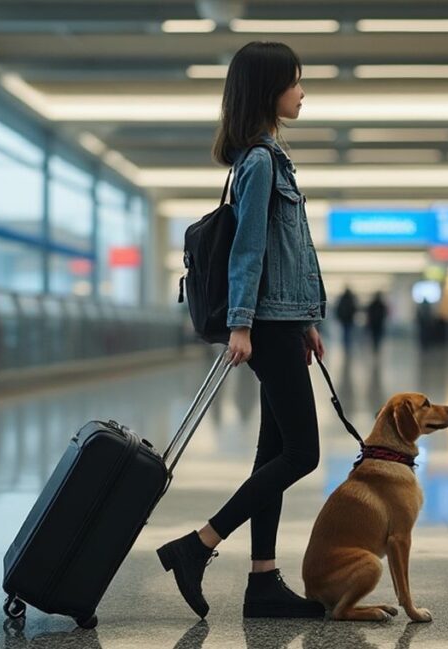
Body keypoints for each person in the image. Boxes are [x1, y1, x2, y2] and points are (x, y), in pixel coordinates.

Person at [156, 41, 327, 621]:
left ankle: (263, 582)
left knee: (272, 452)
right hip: (265, 326)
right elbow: (248, 250)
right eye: (295, 82)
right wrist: (242, 325)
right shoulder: (258, 162)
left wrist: (302, 320)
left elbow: (286, 253)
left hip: (282, 322)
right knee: (303, 452)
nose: (303, 92)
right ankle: (198, 544)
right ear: (269, 89)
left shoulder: (272, 158)